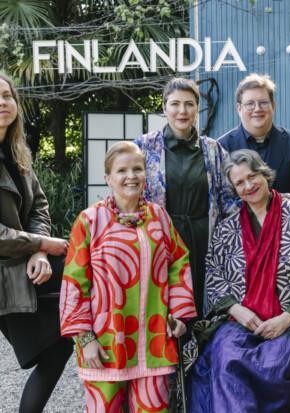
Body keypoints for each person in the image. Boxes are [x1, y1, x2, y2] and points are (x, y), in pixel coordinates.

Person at [187, 149, 290, 413]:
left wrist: (286, 318)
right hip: (239, 319)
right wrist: (237, 310)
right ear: (234, 189)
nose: (248, 186)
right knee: (227, 357)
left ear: (265, 174)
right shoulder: (227, 228)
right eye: (240, 182)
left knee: (277, 364)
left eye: (252, 177)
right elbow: (215, 276)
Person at [60, 141, 197, 412]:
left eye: (138, 169)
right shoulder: (89, 221)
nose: (131, 176)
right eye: (122, 170)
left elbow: (179, 263)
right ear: (108, 178)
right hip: (106, 342)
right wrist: (85, 339)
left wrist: (180, 314)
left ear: (146, 174)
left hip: (154, 341)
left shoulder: (159, 217)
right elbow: (75, 283)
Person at [0, 73, 73, 413]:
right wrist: (41, 244)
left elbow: (40, 207)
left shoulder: (17, 152)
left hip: (22, 264)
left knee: (58, 348)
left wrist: (41, 250)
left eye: (6, 96)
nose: (2, 103)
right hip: (3, 274)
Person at [134, 77, 235, 317]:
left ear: (196, 108)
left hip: (205, 239)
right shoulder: (145, 146)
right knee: (165, 306)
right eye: (175, 104)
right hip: (161, 237)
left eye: (189, 104)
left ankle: (203, 352)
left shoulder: (213, 149)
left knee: (203, 306)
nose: (182, 111)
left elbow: (229, 199)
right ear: (164, 107)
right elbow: (129, 193)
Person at [218, 73, 290, 206]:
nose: (257, 109)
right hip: (241, 225)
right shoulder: (222, 146)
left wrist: (286, 218)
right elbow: (220, 195)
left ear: (273, 106)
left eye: (263, 103)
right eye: (250, 104)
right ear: (239, 108)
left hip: (287, 224)